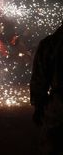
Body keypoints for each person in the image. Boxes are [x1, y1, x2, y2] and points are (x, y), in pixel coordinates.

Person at [30, 21, 63, 154]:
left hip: (59, 109)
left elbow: (39, 80)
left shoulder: (51, 43)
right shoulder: (52, 43)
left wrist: (38, 107)